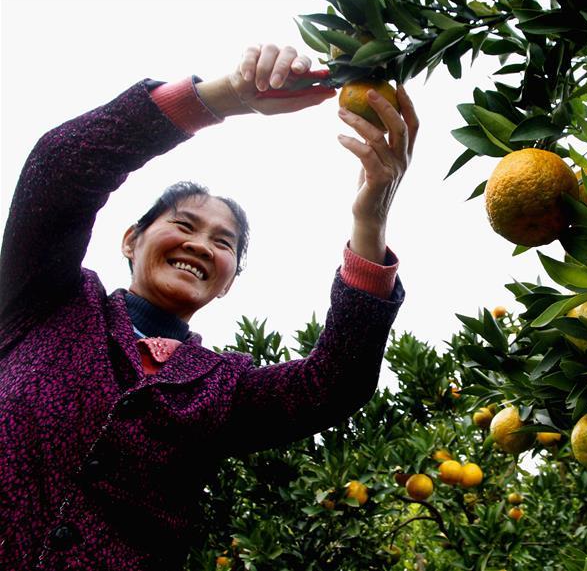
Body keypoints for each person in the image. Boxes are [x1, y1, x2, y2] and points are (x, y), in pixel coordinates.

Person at [0, 44, 418, 570]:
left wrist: (371, 216)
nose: (201, 244)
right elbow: (59, 170)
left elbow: (334, 383)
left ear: (226, 284)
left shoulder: (223, 388)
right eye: (184, 224)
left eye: (224, 243)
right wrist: (227, 97)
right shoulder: (45, 302)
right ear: (131, 240)